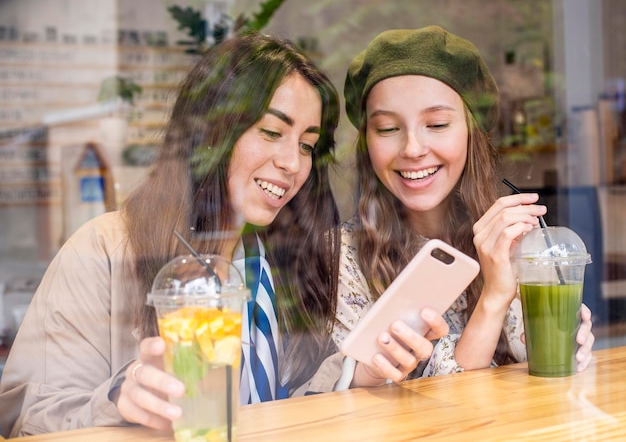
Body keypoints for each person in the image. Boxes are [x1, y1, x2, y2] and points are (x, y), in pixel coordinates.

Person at [0, 32, 450, 438]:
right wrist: (120, 399)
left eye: (306, 145)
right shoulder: (107, 247)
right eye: (272, 132)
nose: (292, 164)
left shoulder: (280, 258)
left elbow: (274, 409)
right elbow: (20, 413)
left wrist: (358, 372)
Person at [332, 26, 594, 383]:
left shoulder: (510, 241)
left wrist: (569, 342)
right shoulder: (341, 258)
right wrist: (493, 298)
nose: (412, 148)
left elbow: (544, 370)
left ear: (472, 133)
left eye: (437, 124)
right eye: (388, 128)